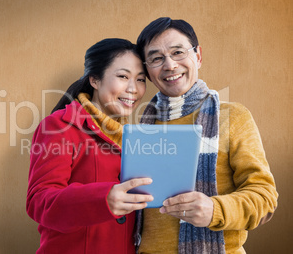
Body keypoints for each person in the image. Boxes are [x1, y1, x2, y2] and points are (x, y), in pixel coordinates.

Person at [134, 17, 278, 253]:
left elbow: (265, 199)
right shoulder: (141, 127)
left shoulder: (233, 117)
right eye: (156, 58)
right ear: (148, 71)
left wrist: (215, 210)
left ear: (198, 56)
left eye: (178, 52)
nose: (169, 65)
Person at [26, 38, 154, 254]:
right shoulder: (59, 126)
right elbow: (39, 201)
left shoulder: (134, 137)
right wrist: (103, 198)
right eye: (123, 76)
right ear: (94, 79)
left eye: (140, 79)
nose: (133, 89)